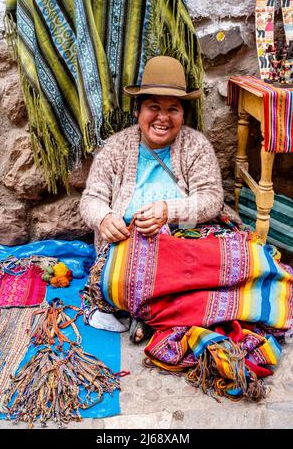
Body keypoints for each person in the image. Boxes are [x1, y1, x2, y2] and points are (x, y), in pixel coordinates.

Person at [80, 55, 241, 342]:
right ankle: (168, 313)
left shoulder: (196, 146)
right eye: (153, 107)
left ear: (183, 114)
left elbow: (211, 199)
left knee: (235, 257)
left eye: (173, 109)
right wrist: (104, 218)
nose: (163, 118)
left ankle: (147, 313)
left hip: (186, 240)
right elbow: (91, 198)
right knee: (131, 269)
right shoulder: (117, 148)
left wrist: (169, 211)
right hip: (130, 246)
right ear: (138, 111)